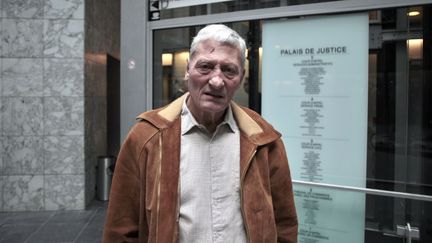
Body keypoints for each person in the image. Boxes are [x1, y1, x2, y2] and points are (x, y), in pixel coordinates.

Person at [103, 24, 298, 243]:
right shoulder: (146, 137)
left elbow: (284, 226)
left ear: (241, 77)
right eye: (205, 67)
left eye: (229, 70)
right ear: (187, 69)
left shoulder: (264, 140)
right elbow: (120, 230)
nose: (216, 81)